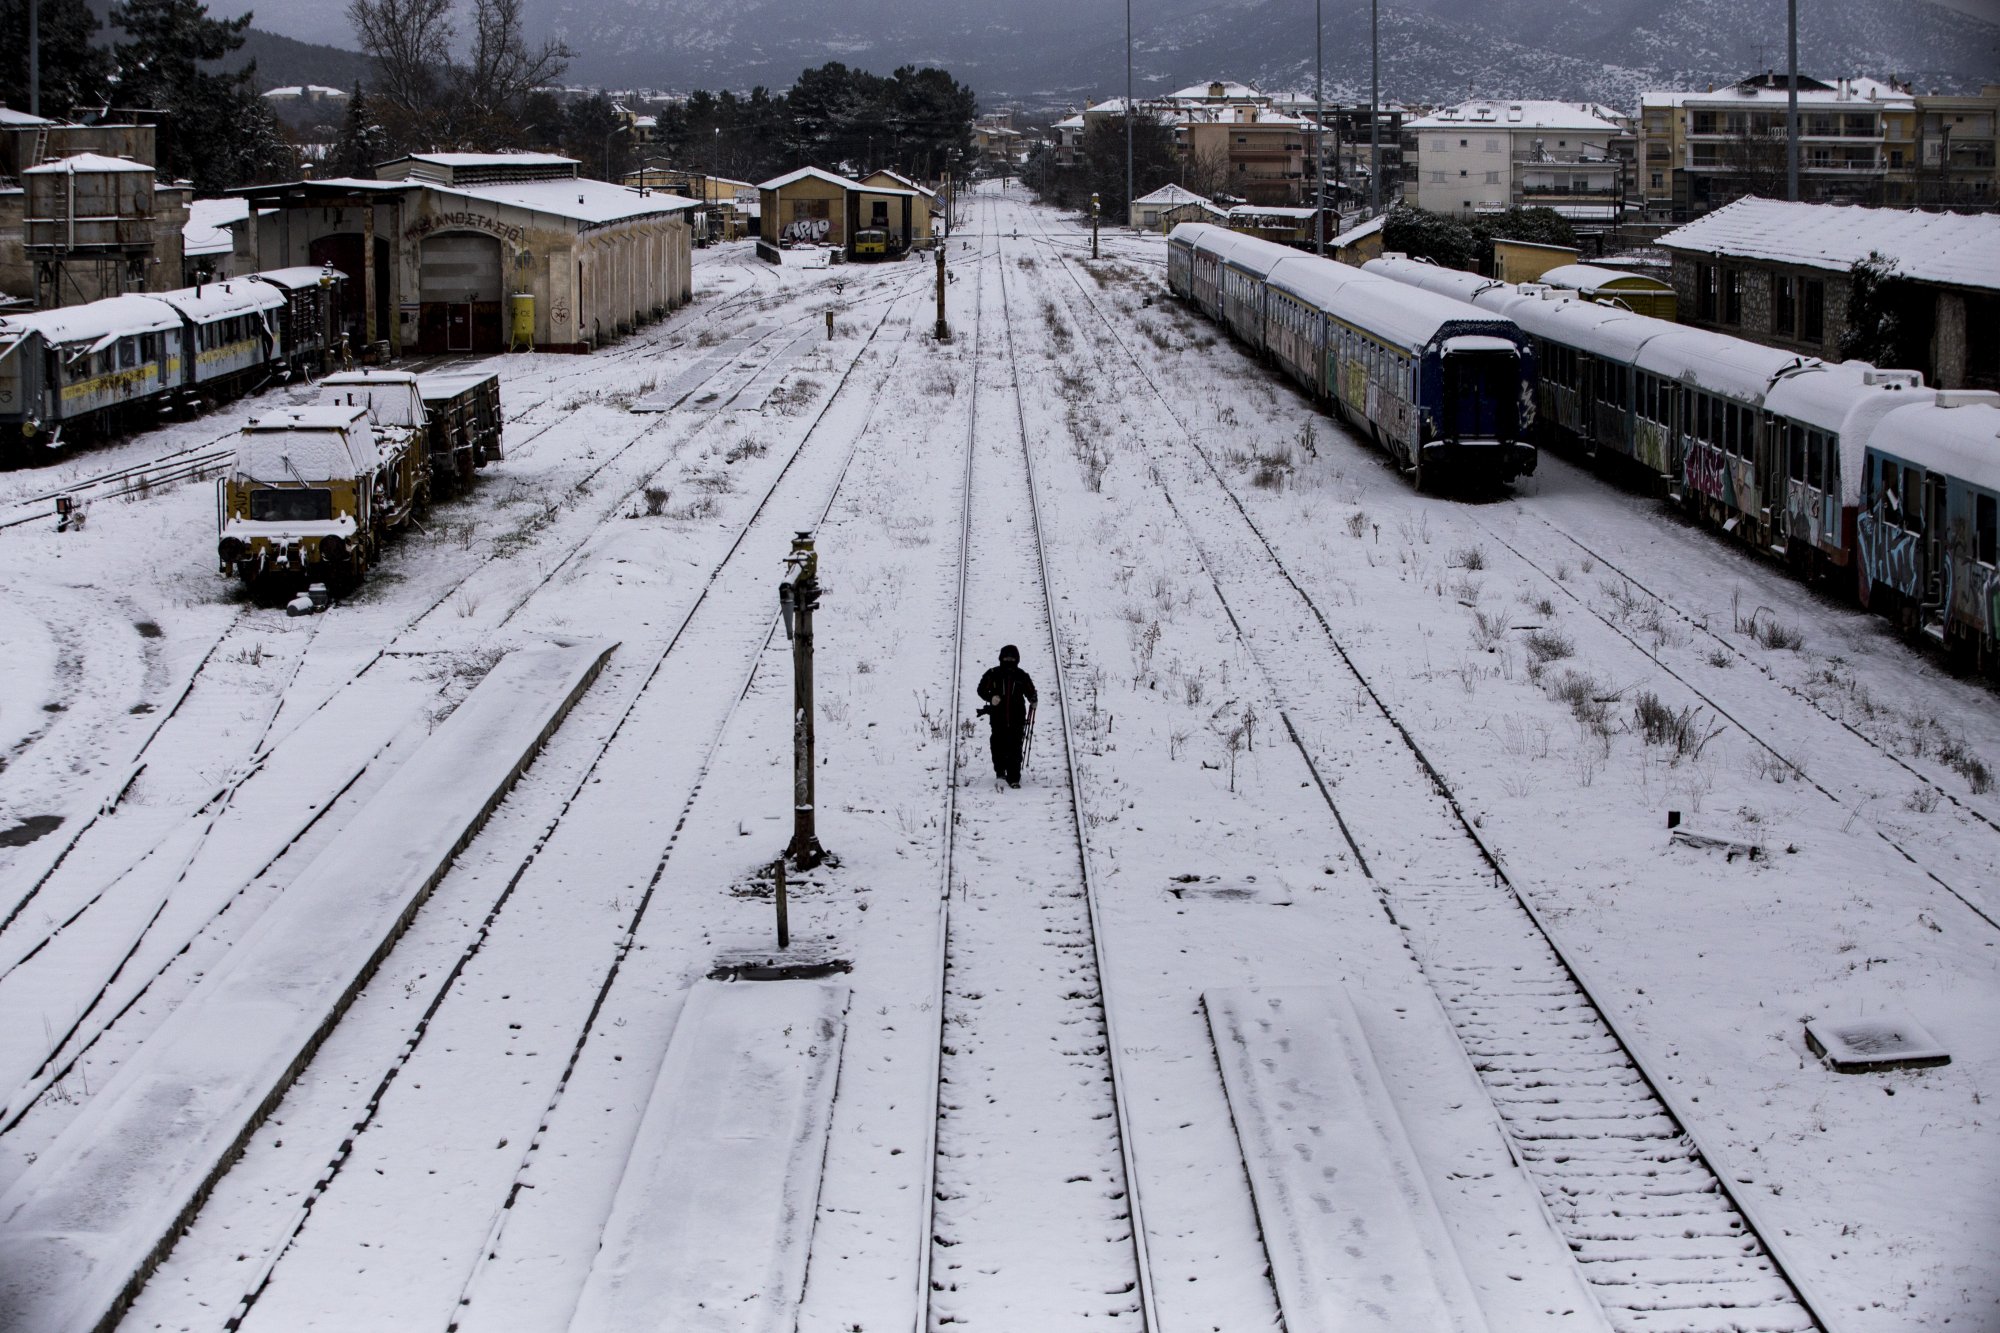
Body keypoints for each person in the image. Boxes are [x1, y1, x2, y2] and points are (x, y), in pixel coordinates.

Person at [976, 644, 1038, 788]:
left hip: (1017, 718)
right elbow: (981, 690)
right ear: (1001, 658)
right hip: (998, 717)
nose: (1009, 660)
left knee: (1015, 746)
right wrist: (991, 697)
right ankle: (1000, 771)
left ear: (1017, 659)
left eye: (1012, 658)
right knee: (998, 745)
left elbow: (1030, 691)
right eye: (1006, 657)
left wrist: (1033, 699)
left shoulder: (1022, 676)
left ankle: (1014, 777)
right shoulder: (993, 674)